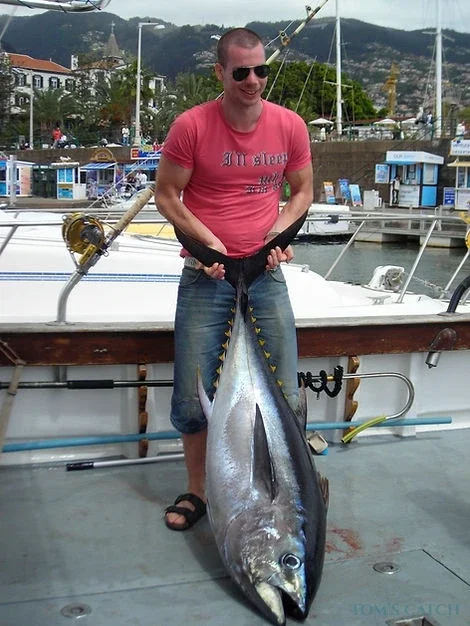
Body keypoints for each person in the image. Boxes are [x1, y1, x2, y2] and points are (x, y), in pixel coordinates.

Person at [155, 27, 313, 531]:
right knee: (193, 393)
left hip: (265, 274)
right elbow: (166, 194)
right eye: (241, 72)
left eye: (260, 70)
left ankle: (283, 488)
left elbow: (303, 191)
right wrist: (206, 243)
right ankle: (199, 491)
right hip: (207, 275)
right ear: (220, 72)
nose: (252, 80)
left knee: (286, 392)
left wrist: (278, 234)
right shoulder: (191, 126)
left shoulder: (289, 125)